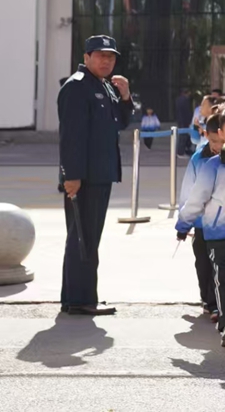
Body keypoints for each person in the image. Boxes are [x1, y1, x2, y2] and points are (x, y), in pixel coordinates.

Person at [58, 34, 133, 316]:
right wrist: (72, 176)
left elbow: (120, 122)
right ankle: (79, 299)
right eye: (101, 55)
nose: (106, 61)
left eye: (111, 57)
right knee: (82, 238)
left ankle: (77, 297)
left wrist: (126, 96)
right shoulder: (77, 87)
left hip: (101, 174)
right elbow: (71, 137)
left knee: (88, 238)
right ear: (87, 57)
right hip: (84, 178)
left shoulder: (104, 86)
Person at [176, 105, 225, 347]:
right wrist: (184, 223)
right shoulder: (212, 165)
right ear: (221, 133)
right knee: (223, 277)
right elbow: (196, 198)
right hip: (219, 232)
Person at [176, 113, 224, 321]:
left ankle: (218, 305)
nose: (218, 146)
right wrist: (184, 223)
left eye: (222, 141)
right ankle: (208, 301)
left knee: (222, 267)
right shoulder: (198, 159)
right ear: (206, 135)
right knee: (203, 264)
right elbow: (188, 192)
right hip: (202, 224)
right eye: (214, 141)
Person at [176, 88, 194, 156]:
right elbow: (187, 111)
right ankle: (180, 152)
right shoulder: (185, 100)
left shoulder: (178, 100)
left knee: (184, 136)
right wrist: (189, 120)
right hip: (184, 121)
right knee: (183, 136)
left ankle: (186, 149)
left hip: (180, 120)